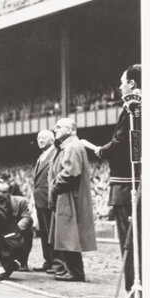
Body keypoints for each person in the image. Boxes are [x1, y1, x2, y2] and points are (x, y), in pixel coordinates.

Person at [80, 65, 141, 298]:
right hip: (135, 178)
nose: (120, 86)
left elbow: (122, 144)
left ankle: (134, 294)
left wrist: (97, 150)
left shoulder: (132, 108)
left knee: (129, 241)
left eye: (122, 82)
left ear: (133, 84)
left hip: (126, 182)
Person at [48, 118, 97, 282]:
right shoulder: (67, 146)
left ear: (70, 130)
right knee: (66, 234)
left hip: (69, 195)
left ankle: (75, 271)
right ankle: (72, 269)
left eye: (59, 127)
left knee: (69, 234)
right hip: (65, 194)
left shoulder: (73, 146)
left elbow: (70, 173)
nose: (55, 129)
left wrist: (54, 185)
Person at [32, 129, 58, 272]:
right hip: (39, 199)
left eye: (43, 138)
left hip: (48, 199)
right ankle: (48, 260)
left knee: (50, 231)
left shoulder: (55, 154)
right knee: (44, 231)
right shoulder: (41, 156)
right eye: (38, 138)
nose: (40, 140)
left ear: (52, 139)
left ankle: (55, 261)